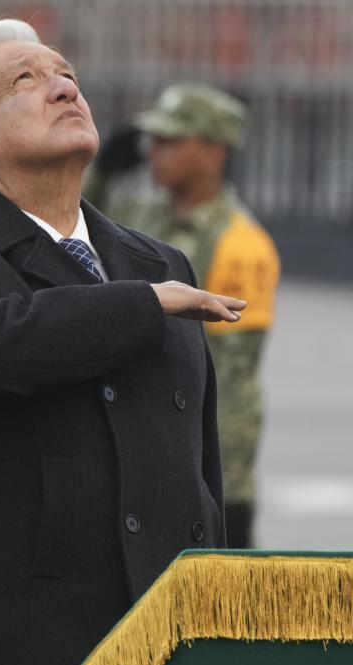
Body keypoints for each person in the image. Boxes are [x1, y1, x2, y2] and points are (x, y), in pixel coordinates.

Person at [0, 20, 248, 665]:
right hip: (20, 650)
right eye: (25, 80)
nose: (63, 87)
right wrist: (141, 305)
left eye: (65, 73)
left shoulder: (157, 261)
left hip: (168, 644)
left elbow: (198, 470)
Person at [86, 84, 281, 548]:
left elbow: (228, 381)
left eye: (172, 141)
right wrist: (102, 173)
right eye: (153, 139)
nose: (154, 151)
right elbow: (70, 227)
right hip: (139, 454)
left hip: (203, 472)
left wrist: (218, 483)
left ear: (213, 151)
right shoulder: (140, 214)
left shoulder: (241, 243)